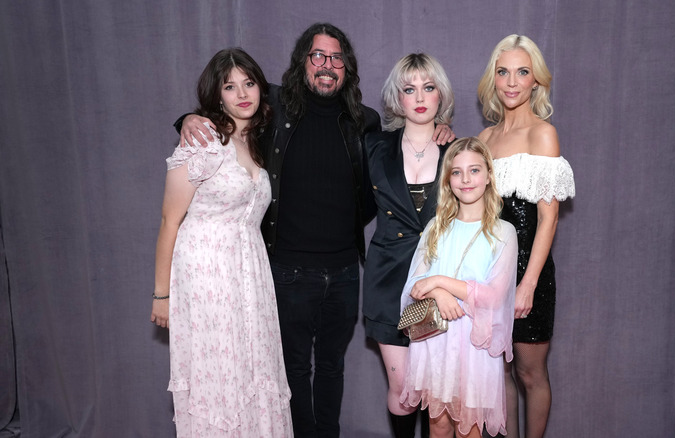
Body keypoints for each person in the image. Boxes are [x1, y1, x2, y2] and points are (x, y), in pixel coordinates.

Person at [175, 24, 452, 438]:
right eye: (318, 56)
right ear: (303, 62)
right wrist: (190, 118)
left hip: (343, 271)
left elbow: (400, 156)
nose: (327, 65)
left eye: (336, 58)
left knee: (331, 368)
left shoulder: (365, 122)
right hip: (287, 270)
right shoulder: (273, 107)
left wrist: (443, 131)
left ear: (347, 68)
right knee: (292, 370)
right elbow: (228, 106)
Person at [151, 47, 293, 437]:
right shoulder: (200, 142)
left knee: (251, 369)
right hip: (206, 277)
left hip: (250, 276)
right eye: (230, 87)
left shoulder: (256, 141)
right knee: (219, 374)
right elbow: (169, 220)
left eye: (249, 83)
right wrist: (161, 295)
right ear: (217, 95)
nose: (242, 93)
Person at [477, 35, 575, 438]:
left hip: (528, 276)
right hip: (487, 275)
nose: (512, 81)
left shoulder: (543, 134)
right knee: (496, 375)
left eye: (522, 72)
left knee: (529, 373)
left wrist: (528, 284)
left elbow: (549, 218)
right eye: (503, 72)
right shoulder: (484, 139)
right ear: (493, 79)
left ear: (536, 80)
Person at [399, 137, 518, 438]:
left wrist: (439, 282)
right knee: (437, 424)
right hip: (435, 342)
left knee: (469, 428)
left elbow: (493, 296)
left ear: (489, 175)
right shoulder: (436, 227)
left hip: (474, 350)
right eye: (457, 172)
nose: (466, 179)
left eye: (475, 170)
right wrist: (437, 293)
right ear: (448, 179)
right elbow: (413, 284)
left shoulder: (503, 233)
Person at [363, 53, 454, 438]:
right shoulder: (373, 146)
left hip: (437, 283)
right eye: (409, 88)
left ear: (440, 95)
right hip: (387, 279)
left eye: (428, 87)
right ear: (397, 98)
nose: (419, 97)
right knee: (403, 392)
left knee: (435, 391)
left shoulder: (458, 151)